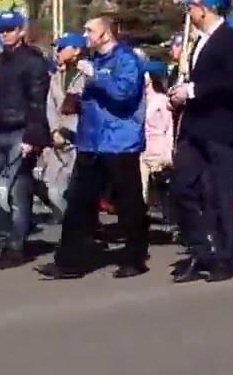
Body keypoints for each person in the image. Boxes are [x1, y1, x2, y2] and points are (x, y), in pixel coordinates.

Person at [37, 16, 149, 279]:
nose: (85, 35)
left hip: (119, 142)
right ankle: (69, 261)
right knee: (78, 201)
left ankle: (134, 257)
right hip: (91, 142)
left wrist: (95, 76)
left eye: (90, 30)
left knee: (128, 202)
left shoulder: (126, 59)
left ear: (106, 34)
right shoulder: (93, 61)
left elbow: (125, 94)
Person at [168, 0, 233, 283]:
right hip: (195, 127)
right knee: (182, 187)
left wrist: (192, 91)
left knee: (219, 194)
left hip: (219, 128)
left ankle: (224, 256)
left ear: (204, 8)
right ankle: (200, 248)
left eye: (191, 7)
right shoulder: (199, 41)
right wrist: (180, 92)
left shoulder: (229, 39)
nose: (188, 13)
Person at [0, 12, 50, 270]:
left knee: (19, 192)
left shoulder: (34, 61)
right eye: (2, 30)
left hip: (23, 132)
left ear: (21, 31)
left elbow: (38, 102)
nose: (5, 34)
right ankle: (5, 232)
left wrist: (33, 138)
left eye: (10, 29)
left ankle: (16, 248)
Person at [140, 63, 174, 206]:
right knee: (141, 190)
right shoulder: (140, 99)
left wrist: (167, 153)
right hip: (142, 149)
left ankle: (170, 219)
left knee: (163, 187)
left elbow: (169, 128)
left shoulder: (163, 101)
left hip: (158, 150)